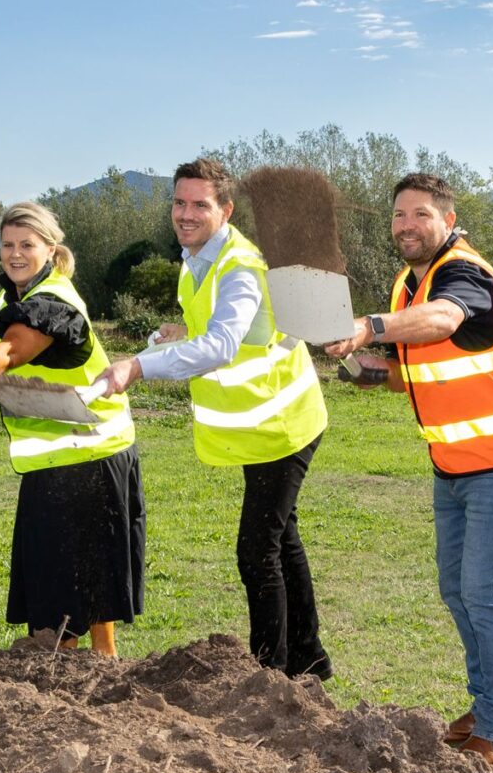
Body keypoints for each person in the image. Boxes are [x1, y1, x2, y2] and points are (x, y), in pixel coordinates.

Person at [323, 172, 493, 768]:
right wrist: (349, 361)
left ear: (448, 221)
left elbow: (446, 321)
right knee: (459, 591)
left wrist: (366, 326)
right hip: (452, 466)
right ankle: (485, 708)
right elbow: (412, 371)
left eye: (420, 215)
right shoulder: (409, 284)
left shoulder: (463, 274)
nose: (407, 225)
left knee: (484, 590)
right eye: (399, 215)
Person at [89, 158, 332, 678]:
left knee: (256, 551)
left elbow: (222, 345)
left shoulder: (238, 264)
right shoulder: (198, 256)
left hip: (282, 422)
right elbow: (229, 328)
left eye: (200, 204)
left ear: (225, 209)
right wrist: (181, 331)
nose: (186, 213)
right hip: (261, 424)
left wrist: (138, 365)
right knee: (282, 538)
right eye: (179, 202)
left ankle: (270, 676)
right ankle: (308, 664)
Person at [0, 202, 144, 654]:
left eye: (26, 245)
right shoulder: (14, 298)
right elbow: (11, 369)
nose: (14, 254)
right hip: (58, 460)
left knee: (67, 594)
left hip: (92, 454)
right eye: (7, 244)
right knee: (77, 581)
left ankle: (76, 679)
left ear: (51, 248)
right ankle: (98, 670)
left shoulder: (56, 302)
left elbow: (14, 351)